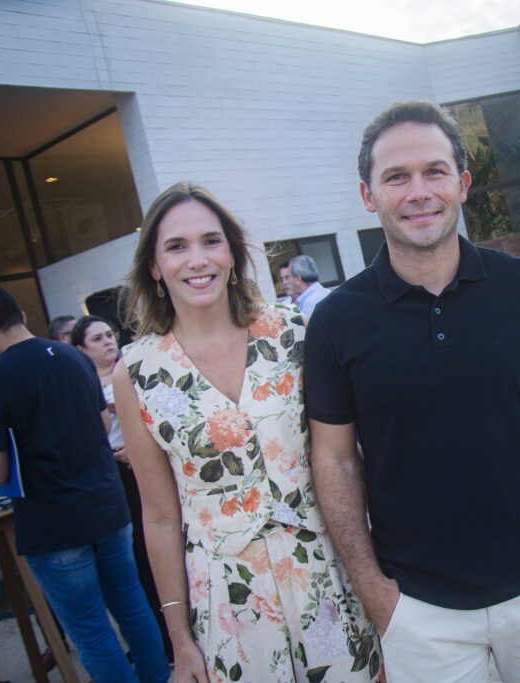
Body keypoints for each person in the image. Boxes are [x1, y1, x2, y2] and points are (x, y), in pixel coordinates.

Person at [304, 100, 520, 682]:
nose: (419, 191)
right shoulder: (336, 322)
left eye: (435, 171)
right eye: (396, 177)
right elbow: (335, 461)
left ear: (463, 184)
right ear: (369, 196)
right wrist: (374, 591)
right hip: (418, 610)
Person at [114, 182, 382, 683]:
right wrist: (179, 642)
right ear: (154, 267)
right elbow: (159, 518)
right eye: (176, 246)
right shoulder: (135, 374)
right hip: (229, 603)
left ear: (233, 255)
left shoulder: (292, 333)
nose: (197, 259)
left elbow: (350, 456)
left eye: (211, 241)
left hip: (328, 577)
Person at [0, 284, 169, 683]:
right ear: (20, 315)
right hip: (107, 505)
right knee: (133, 607)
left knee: (91, 631)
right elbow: (104, 424)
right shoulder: (74, 357)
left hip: (53, 521)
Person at [71, 314, 172, 661]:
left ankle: (173, 632)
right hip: (113, 470)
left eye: (109, 335)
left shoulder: (133, 367)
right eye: (97, 339)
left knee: (158, 545)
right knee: (138, 556)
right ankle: (158, 639)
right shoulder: (82, 381)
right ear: (81, 348)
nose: (108, 342)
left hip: (144, 464)